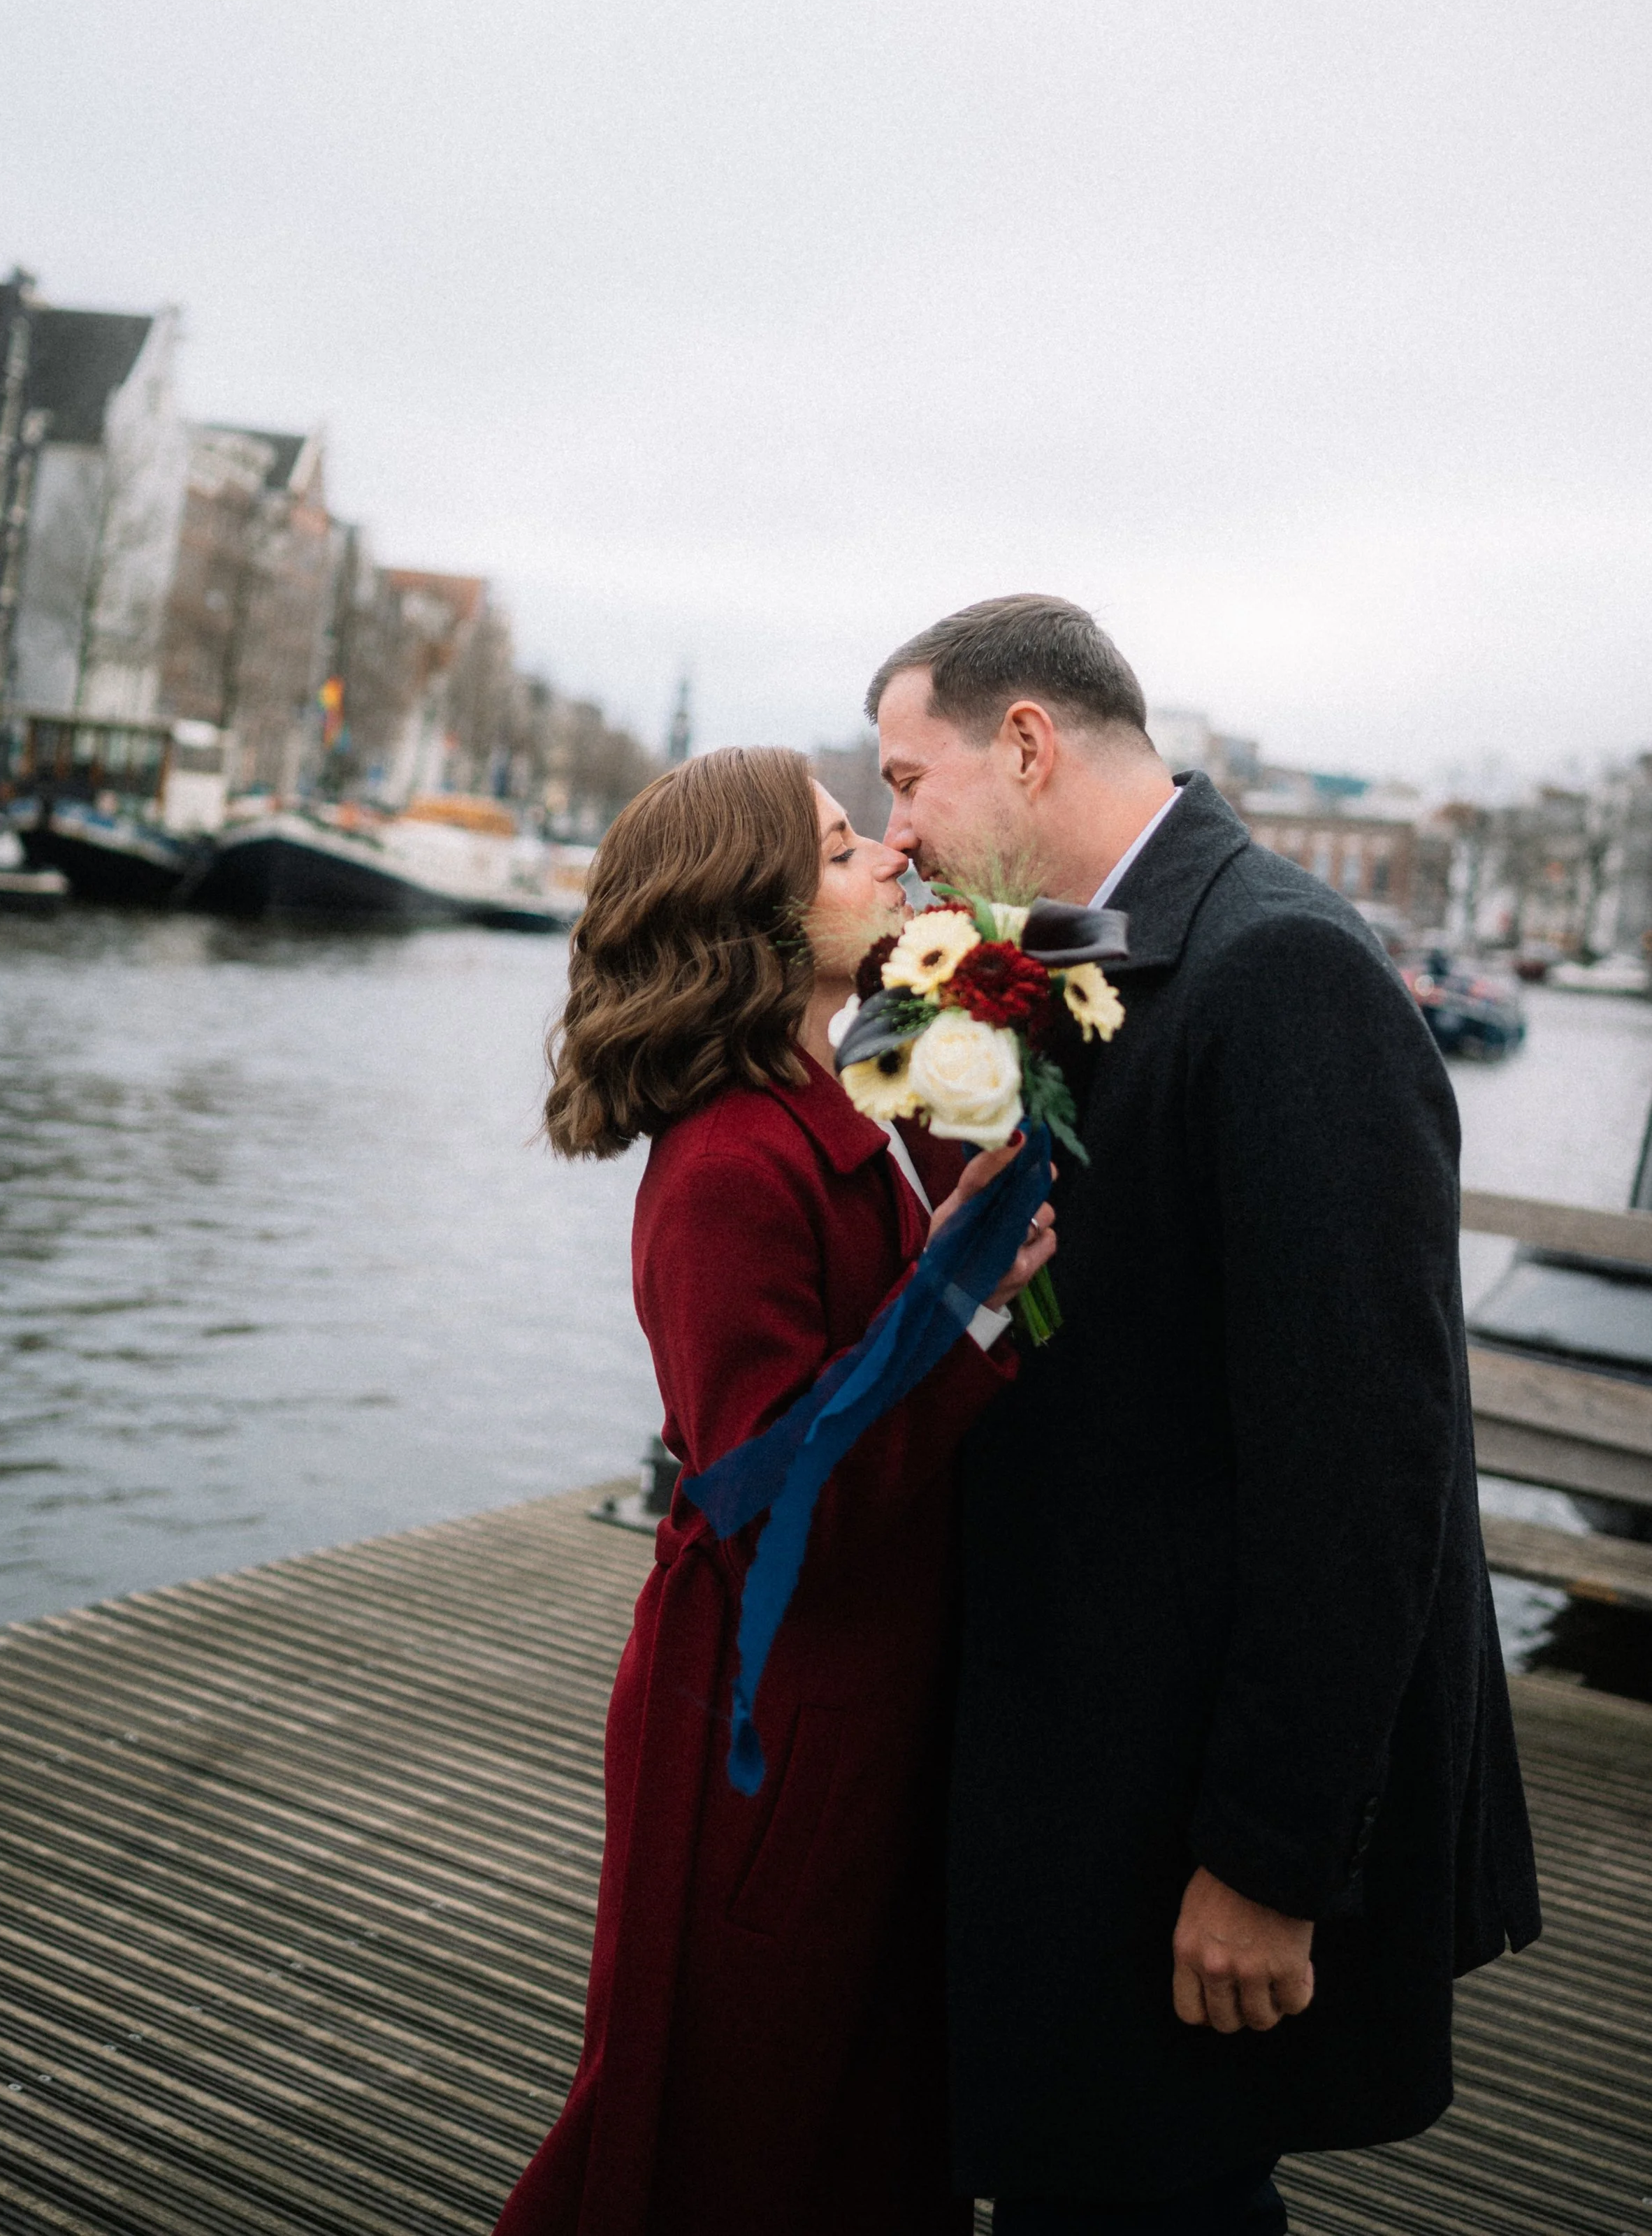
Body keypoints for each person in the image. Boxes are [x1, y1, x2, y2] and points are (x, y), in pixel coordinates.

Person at [867, 594, 1541, 2236]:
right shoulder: (1051, 955)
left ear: (1025, 742)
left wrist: (1268, 1859)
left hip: (1175, 1804)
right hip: (1072, 1760)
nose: (895, 838)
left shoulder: (1284, 967)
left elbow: (1364, 1464)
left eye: (905, 780)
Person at [498, 743, 1057, 2236]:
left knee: (847, 2124)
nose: (884, 852)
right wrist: (966, 1299)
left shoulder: (839, 1103)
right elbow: (765, 1486)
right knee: (714, 2129)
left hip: (849, 1696)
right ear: (750, 912)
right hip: (766, 1726)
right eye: (831, 849)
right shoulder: (724, 1167)